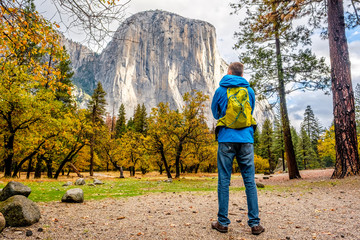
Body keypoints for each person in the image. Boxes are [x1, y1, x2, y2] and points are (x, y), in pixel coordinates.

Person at [210, 62, 264, 235]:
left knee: (224, 181)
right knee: (250, 181)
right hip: (246, 139)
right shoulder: (249, 91)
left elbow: (215, 113)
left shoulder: (220, 90)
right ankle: (255, 224)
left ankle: (222, 222)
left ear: (229, 72)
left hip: (226, 139)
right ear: (241, 74)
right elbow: (251, 111)